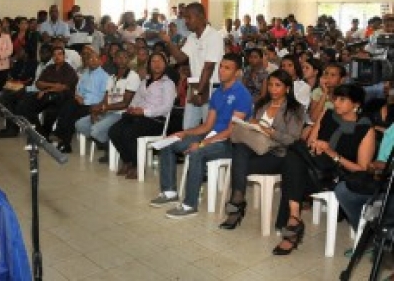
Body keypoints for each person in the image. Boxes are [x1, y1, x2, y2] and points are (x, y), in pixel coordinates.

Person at [273, 84, 374, 255]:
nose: (336, 103)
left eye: (342, 100)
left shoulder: (365, 129)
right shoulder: (327, 115)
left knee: (292, 168)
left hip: (338, 176)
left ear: (356, 104)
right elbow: (310, 144)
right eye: (335, 98)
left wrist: (331, 153)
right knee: (294, 161)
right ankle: (294, 217)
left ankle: (292, 222)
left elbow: (361, 169)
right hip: (314, 167)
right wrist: (315, 147)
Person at [149, 53, 252, 218]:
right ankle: (169, 192)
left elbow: (232, 131)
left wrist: (203, 143)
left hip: (229, 143)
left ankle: (190, 205)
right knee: (169, 144)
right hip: (212, 136)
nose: (222, 71)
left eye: (227, 68)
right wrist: (184, 133)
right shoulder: (218, 93)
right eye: (221, 66)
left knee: (197, 152)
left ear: (237, 72)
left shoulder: (242, 94)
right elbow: (207, 125)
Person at [219, 70, 304, 229]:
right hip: (255, 149)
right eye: (270, 85)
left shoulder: (295, 109)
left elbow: (293, 139)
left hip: (277, 155)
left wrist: (269, 131)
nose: (273, 89)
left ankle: (236, 205)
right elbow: (254, 128)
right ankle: (237, 201)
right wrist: (251, 124)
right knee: (240, 148)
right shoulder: (261, 104)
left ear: (287, 88)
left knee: (239, 162)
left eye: (278, 85)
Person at [108, 53, 176, 179]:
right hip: (138, 117)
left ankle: (137, 165)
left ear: (165, 64)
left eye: (160, 61)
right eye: (153, 61)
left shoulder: (167, 83)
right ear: (149, 65)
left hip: (156, 120)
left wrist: (144, 112)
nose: (156, 64)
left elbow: (166, 107)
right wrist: (132, 108)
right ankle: (127, 160)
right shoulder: (144, 81)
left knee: (129, 132)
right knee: (114, 131)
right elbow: (136, 99)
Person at [160, 2, 224, 130]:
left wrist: (199, 92)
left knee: (208, 128)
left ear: (201, 17)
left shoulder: (213, 36)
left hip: (211, 88)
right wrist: (168, 42)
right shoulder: (192, 37)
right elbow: (180, 57)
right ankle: (189, 150)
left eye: (189, 17)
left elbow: (209, 67)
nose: (185, 21)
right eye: (184, 17)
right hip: (196, 86)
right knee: (188, 127)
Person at [75, 49, 140, 163]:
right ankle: (108, 147)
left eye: (124, 57)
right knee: (80, 124)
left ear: (128, 59)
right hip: (108, 111)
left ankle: (113, 150)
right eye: (118, 57)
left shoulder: (133, 76)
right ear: (114, 60)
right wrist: (96, 111)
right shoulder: (112, 77)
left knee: (96, 130)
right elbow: (106, 98)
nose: (121, 60)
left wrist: (104, 108)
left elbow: (125, 103)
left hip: (122, 113)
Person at [49, 52, 108, 153]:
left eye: (96, 59)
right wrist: (78, 96)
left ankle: (62, 139)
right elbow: (78, 88)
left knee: (71, 114)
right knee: (67, 106)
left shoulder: (104, 76)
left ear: (100, 61)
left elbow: (104, 95)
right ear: (87, 61)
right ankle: (63, 140)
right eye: (90, 59)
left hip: (93, 105)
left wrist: (88, 102)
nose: (93, 61)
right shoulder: (85, 74)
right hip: (80, 101)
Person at [14, 46, 78, 139]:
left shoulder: (69, 70)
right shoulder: (49, 68)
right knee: (24, 106)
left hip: (62, 98)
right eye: (54, 55)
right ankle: (40, 132)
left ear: (64, 56)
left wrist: (46, 89)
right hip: (45, 96)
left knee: (51, 109)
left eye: (60, 54)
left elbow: (63, 87)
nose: (57, 57)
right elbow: (38, 83)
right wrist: (52, 85)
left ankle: (43, 134)